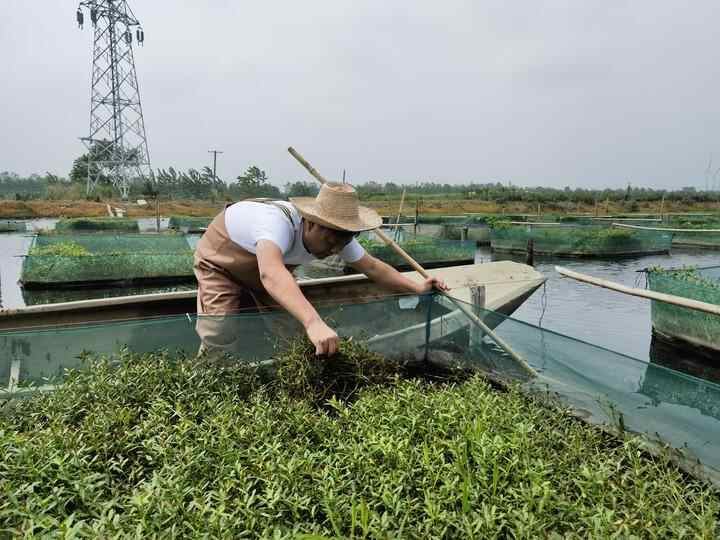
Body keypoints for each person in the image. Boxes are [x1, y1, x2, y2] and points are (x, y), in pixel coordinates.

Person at [193, 182, 448, 356]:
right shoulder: (275, 223)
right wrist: (314, 322)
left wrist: (418, 288)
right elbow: (270, 272)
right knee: (219, 329)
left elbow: (372, 267)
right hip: (221, 262)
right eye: (330, 242)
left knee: (290, 327)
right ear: (312, 223)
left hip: (267, 271)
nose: (334, 250)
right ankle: (211, 383)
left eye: (341, 244)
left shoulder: (338, 237)